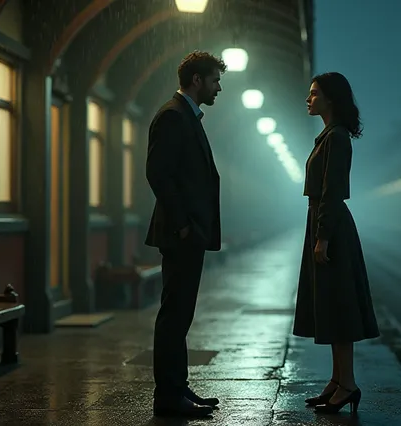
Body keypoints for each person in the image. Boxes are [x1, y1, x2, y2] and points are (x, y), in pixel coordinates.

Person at [292, 72, 381, 415]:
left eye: (314, 94)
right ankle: (337, 379)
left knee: (339, 305)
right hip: (322, 222)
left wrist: (323, 238)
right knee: (330, 303)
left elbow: (332, 191)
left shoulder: (337, 139)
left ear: (330, 99)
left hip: (330, 227)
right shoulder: (328, 136)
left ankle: (348, 383)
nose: (308, 98)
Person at [144, 50, 226, 418]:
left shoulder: (185, 116)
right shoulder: (173, 117)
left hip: (187, 232)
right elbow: (159, 174)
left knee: (181, 314)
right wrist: (182, 225)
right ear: (197, 80)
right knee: (174, 315)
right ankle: (168, 396)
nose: (218, 87)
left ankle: (178, 388)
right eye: (215, 80)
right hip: (181, 234)